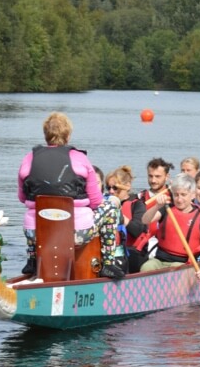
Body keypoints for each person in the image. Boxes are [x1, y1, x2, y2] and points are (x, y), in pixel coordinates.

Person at [17, 112, 122, 278]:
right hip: (76, 234)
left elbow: (23, 198)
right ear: (68, 135)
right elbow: (96, 201)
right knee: (109, 207)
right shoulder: (80, 158)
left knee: (31, 214)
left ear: (46, 135)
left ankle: (32, 261)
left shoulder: (29, 158)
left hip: (37, 235)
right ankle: (108, 263)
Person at [139, 173, 200, 282]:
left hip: (183, 263)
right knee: (146, 268)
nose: (179, 199)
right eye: (176, 195)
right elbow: (145, 220)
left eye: (183, 195)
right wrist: (157, 206)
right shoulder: (166, 209)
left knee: (174, 271)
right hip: (160, 259)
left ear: (193, 195)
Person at [105, 166, 148, 274]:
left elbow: (136, 230)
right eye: (108, 187)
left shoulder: (138, 204)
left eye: (115, 188)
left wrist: (119, 214)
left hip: (132, 251)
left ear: (127, 186)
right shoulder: (104, 203)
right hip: (111, 249)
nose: (111, 191)